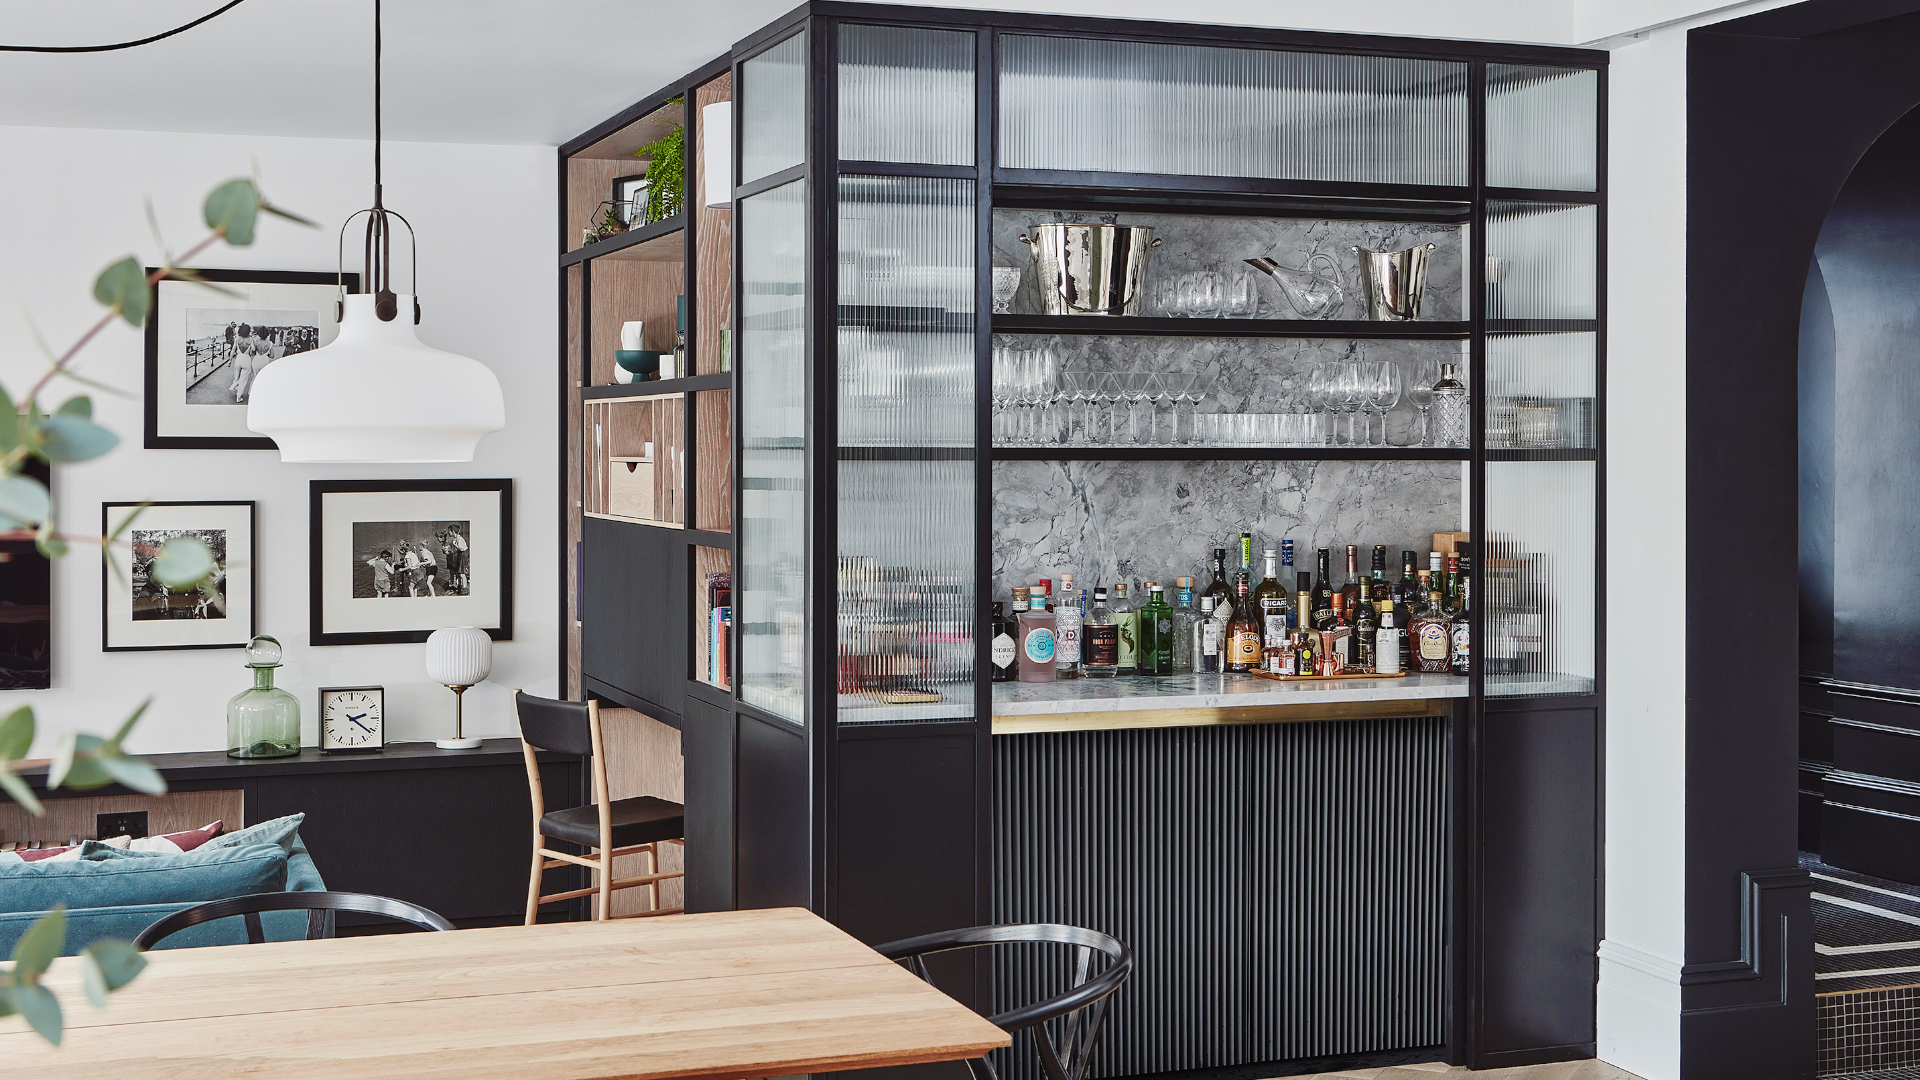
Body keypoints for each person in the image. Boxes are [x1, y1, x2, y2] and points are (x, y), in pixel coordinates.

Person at [440, 524, 468, 594]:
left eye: (449, 531)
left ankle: (464, 588)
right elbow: (453, 547)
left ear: (452, 531)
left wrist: (455, 544)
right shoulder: (455, 538)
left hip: (462, 556)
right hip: (458, 556)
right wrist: (447, 548)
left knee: (462, 574)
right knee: (458, 573)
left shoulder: (459, 538)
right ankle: (458, 588)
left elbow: (462, 548)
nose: (448, 532)